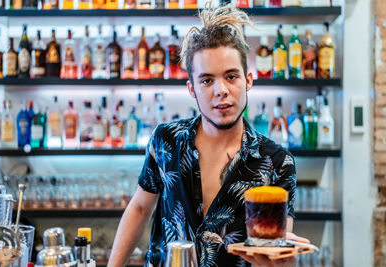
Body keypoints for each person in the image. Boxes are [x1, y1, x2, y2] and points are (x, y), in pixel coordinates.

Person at [108, 2, 309, 267]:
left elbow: (278, 246)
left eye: (231, 77)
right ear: (192, 88)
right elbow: (140, 208)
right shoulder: (165, 140)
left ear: (248, 80)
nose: (221, 90)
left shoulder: (278, 162)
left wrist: (281, 259)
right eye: (207, 80)